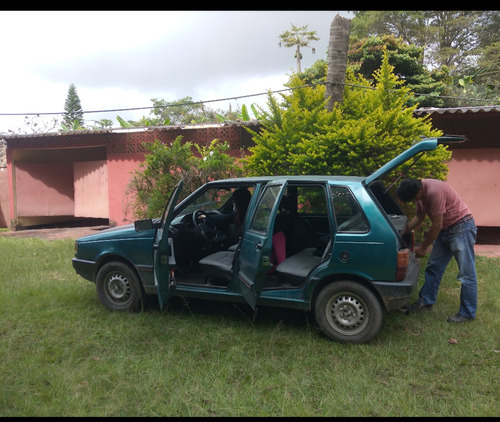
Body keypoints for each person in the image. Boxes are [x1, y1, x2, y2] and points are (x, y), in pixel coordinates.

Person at [396, 178, 478, 323]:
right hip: (445, 230)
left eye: (415, 198)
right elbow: (420, 216)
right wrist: (405, 230)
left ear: (420, 190)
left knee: (466, 273)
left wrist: (423, 247)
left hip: (461, 228)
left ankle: (467, 313)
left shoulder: (435, 191)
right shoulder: (418, 192)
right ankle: (426, 301)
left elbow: (437, 224)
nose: (416, 200)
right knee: (433, 267)